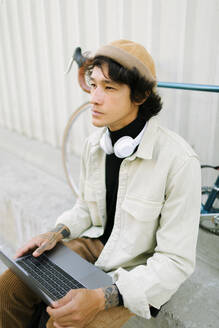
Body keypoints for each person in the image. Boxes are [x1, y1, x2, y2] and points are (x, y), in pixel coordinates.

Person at [0, 40, 201, 328]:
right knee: (7, 290)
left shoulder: (179, 162)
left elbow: (175, 262)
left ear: (141, 96)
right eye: (93, 85)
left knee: (60, 324)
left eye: (109, 88)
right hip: (95, 246)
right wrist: (55, 233)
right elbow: (85, 207)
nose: (94, 98)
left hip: (135, 271)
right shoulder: (95, 144)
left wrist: (101, 297)